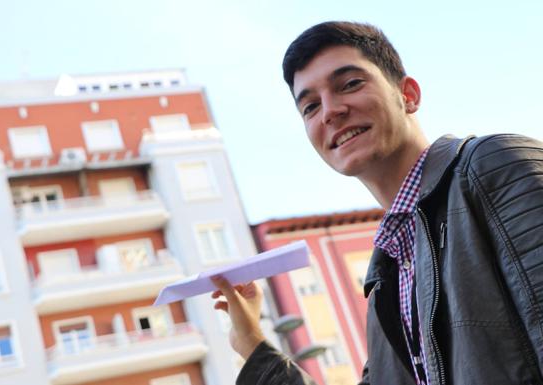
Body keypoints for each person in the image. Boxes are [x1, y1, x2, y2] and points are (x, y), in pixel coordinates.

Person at [210, 21, 543, 385]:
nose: (329, 112)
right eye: (309, 106)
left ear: (409, 95)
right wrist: (251, 343)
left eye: (350, 84)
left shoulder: (493, 166)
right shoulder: (387, 274)